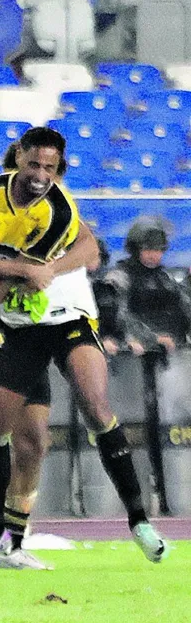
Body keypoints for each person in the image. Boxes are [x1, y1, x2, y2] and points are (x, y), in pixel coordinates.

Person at [0, 130, 168, 569]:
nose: (38, 177)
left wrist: (46, 269)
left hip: (68, 319)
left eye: (48, 169)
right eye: (29, 168)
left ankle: (139, 521)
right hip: (21, 330)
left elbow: (90, 250)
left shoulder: (58, 209)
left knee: (96, 404)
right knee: (5, 433)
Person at [105, 215, 189, 519]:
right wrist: (148, 338)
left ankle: (167, 498)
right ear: (135, 248)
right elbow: (118, 313)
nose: (155, 254)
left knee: (165, 437)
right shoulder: (120, 276)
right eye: (148, 248)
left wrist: (175, 337)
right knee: (137, 434)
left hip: (164, 369)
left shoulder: (166, 278)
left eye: (159, 249)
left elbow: (182, 312)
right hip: (132, 368)